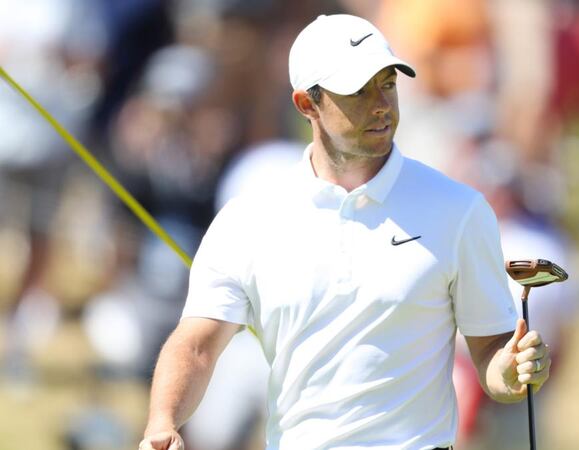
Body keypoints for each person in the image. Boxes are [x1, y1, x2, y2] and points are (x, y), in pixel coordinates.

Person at [139, 14, 551, 450]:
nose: (381, 104)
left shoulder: (460, 210)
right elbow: (196, 346)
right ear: (306, 104)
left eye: (388, 84)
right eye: (358, 91)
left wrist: (509, 370)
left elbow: (490, 349)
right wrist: (162, 422)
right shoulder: (248, 219)